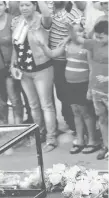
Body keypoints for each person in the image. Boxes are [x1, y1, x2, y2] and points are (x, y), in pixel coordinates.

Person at [38, 23, 100, 155]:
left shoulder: (87, 46)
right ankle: (80, 139)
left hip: (82, 84)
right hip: (70, 83)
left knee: (86, 113)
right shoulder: (67, 45)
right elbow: (53, 54)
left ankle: (93, 140)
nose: (75, 34)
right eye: (74, 31)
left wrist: (90, 88)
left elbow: (92, 68)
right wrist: (42, 45)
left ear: (84, 33)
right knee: (76, 112)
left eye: (79, 31)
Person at [11, 1, 57, 152]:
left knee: (46, 105)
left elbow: (47, 15)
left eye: (28, 5)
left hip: (42, 69)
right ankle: (40, 134)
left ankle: (51, 139)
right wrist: (13, 64)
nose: (24, 8)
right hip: (24, 71)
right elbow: (15, 46)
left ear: (34, 6)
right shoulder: (18, 21)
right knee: (33, 106)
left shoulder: (41, 19)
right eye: (22, 5)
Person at [69, 20, 108, 160]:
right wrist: (69, 28)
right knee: (102, 119)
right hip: (97, 90)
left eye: (101, 37)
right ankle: (106, 146)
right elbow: (77, 39)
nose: (97, 39)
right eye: (96, 36)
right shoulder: (93, 43)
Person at [0, 1, 23, 125]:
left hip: (9, 67)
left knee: (15, 99)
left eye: (0, 4)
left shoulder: (13, 20)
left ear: (5, 6)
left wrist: (13, 64)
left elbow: (16, 44)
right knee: (0, 102)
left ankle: (19, 129)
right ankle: (5, 129)